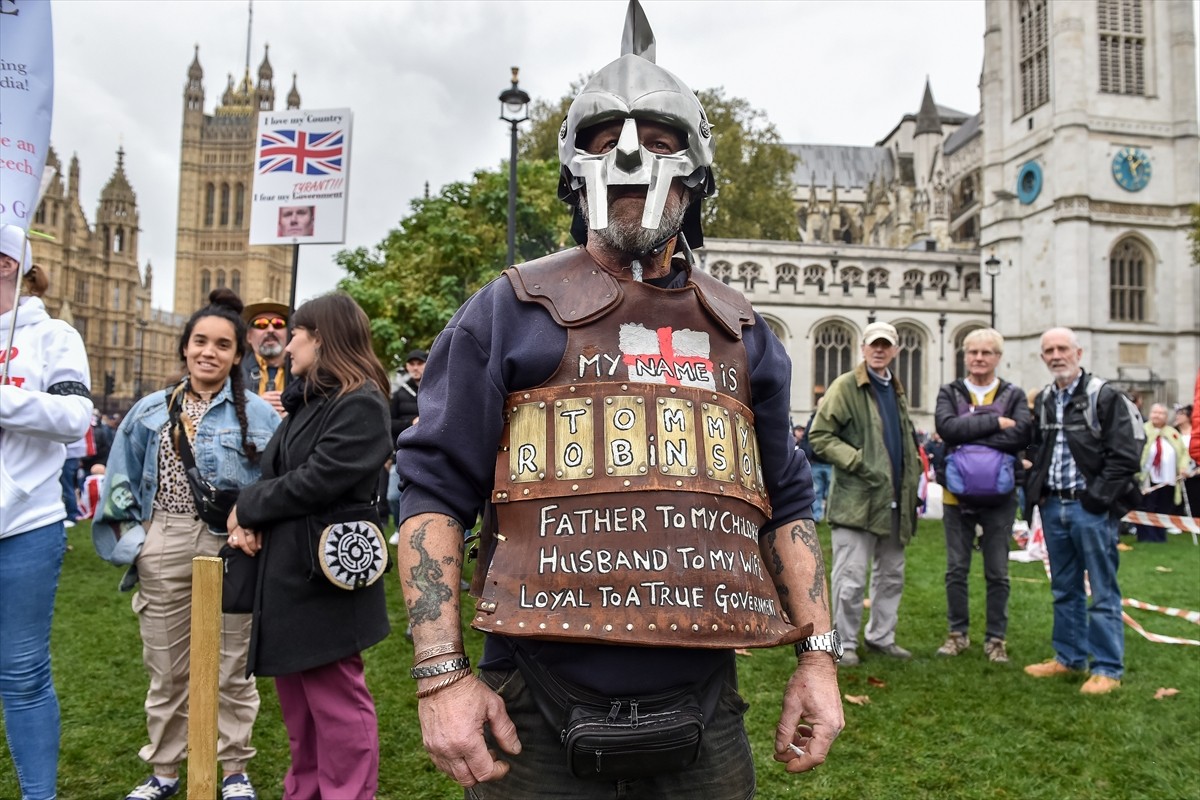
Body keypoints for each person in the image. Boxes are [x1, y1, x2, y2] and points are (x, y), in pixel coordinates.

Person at [393, 7, 843, 795]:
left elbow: (790, 501)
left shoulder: (742, 330)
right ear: (574, 170)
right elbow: (432, 490)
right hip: (532, 702)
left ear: (698, 171)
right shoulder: (507, 312)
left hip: (706, 702)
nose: (633, 155)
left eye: (661, 139)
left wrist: (819, 658)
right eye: (606, 140)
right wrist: (440, 677)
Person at [94, 288, 280, 800]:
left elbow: (280, 484)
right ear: (184, 347)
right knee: (169, 670)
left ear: (237, 355)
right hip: (166, 537)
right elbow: (118, 486)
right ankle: (165, 772)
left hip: (234, 547)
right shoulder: (151, 411)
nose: (209, 352)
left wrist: (258, 524)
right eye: (200, 341)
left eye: (223, 345)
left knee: (232, 668)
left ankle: (235, 771)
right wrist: (140, 545)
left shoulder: (262, 417)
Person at [226, 292, 392, 800]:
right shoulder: (311, 403)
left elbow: (317, 480)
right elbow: (280, 474)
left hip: (323, 582)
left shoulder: (360, 402)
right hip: (291, 578)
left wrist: (249, 507)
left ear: (322, 337)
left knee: (337, 705)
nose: (289, 343)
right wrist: (251, 515)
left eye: (297, 332)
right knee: (300, 711)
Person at [0, 223, 93, 800]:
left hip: (24, 523)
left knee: (22, 673)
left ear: (7, 264)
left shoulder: (53, 336)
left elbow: (73, 418)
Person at [1023, 327, 1141, 695]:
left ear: (1079, 352)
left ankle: (1107, 667)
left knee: (1103, 590)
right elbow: (1037, 449)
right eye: (1049, 350)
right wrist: (1038, 492)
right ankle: (1069, 657)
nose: (1056, 355)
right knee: (1064, 588)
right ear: (1043, 357)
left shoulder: (1103, 396)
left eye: (1063, 348)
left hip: (1090, 508)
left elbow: (1125, 455)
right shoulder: (1043, 399)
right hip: (1053, 505)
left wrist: (1096, 499)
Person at [809, 321, 922, 668]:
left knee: (891, 576)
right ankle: (843, 645)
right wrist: (859, 462)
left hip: (894, 501)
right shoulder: (847, 385)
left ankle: (881, 638)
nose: (879, 350)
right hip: (858, 499)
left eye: (886, 345)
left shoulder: (896, 390)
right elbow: (820, 436)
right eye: (874, 344)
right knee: (851, 580)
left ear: (895, 350)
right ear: (863, 348)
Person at [932, 328, 1032, 663]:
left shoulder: (1014, 394)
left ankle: (996, 639)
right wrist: (995, 422)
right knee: (956, 569)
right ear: (965, 356)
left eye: (986, 352)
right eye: (973, 352)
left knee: (997, 571)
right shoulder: (951, 391)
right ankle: (957, 633)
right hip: (956, 497)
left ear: (998, 357)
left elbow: (1020, 436)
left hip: (1001, 498)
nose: (979, 358)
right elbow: (947, 429)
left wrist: (969, 432)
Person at [1135, 403, 1187, 542]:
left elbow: (1183, 453)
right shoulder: (1143, 430)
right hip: (1148, 477)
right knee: (1147, 506)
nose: (1157, 415)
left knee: (1164, 507)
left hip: (1168, 478)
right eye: (1155, 412)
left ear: (1166, 416)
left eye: (1161, 413)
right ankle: (1146, 536)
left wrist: (1183, 467)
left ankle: (1160, 536)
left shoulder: (1173, 433)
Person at [388, 349, 426, 532]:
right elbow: (388, 423)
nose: (415, 368)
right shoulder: (398, 393)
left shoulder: (436, 388)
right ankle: (399, 528)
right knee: (393, 497)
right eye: (412, 364)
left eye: (419, 363)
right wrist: (410, 423)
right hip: (402, 453)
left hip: (428, 453)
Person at [241, 298, 290, 417]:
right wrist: (256, 407)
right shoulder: (233, 371)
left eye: (278, 324)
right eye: (261, 324)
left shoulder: (307, 373)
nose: (270, 330)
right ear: (249, 336)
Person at [796, 396, 832, 522]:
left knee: (830, 493)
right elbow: (806, 439)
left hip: (830, 463)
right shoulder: (813, 421)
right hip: (816, 463)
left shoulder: (832, 418)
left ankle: (830, 517)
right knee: (816, 492)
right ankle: (817, 517)